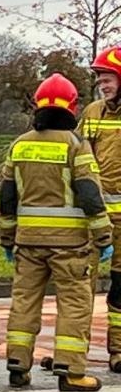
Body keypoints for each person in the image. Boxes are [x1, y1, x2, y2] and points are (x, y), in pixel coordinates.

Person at [0, 73, 112, 391]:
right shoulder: (76, 145)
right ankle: (71, 371)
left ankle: (18, 365)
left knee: (23, 302)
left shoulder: (19, 145)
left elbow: (7, 198)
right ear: (72, 107)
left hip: (28, 243)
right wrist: (104, 238)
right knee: (74, 304)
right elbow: (90, 195)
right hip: (70, 245)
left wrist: (8, 239)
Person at [81, 46, 121, 371]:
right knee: (81, 286)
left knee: (120, 288)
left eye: (107, 79)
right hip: (95, 218)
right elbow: (79, 156)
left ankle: (119, 352)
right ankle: (73, 355)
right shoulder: (93, 112)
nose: (103, 85)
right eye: (100, 80)